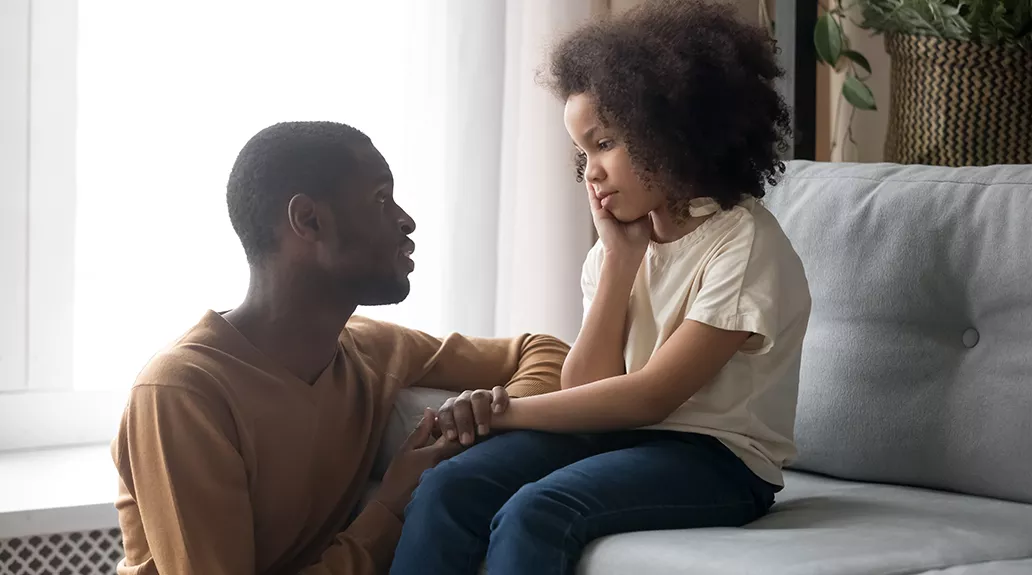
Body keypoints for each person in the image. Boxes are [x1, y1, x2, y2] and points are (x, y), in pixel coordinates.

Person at [390, 1, 812, 573]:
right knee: (449, 485)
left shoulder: (742, 245)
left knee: (539, 511)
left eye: (605, 142)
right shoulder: (616, 251)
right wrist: (619, 260)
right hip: (623, 438)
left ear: (670, 130)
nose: (591, 170)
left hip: (719, 461)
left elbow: (651, 395)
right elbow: (588, 387)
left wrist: (508, 411)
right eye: (582, 151)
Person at [110, 121, 569, 575]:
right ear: (308, 220)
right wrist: (390, 508)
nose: (406, 220)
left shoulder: (372, 349)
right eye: (380, 199)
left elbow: (544, 350)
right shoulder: (182, 393)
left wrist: (494, 413)